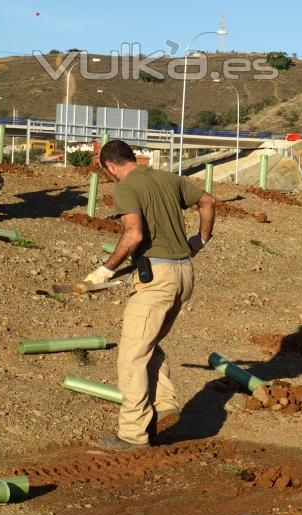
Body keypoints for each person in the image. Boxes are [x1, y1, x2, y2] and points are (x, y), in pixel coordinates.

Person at [85, 140, 216, 451]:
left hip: (156, 280)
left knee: (131, 357)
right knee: (148, 344)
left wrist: (106, 268)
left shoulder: (125, 188)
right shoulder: (167, 178)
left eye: (108, 172)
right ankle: (166, 405)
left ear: (110, 166)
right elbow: (209, 200)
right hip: (184, 274)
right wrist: (201, 239)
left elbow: (134, 234)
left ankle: (132, 435)